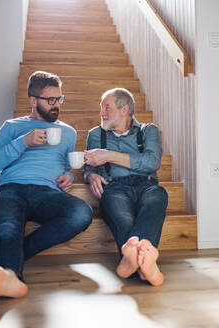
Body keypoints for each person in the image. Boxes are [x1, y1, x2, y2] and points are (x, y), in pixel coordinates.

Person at [0, 71, 92, 297]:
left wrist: (69, 176)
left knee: (82, 212)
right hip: (12, 189)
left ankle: (1, 257)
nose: (57, 105)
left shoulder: (68, 132)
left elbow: (65, 165)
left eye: (59, 99)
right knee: (7, 230)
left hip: (47, 193)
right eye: (50, 100)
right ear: (33, 100)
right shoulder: (12, 127)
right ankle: (12, 278)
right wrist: (24, 142)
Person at [83, 88, 168, 286]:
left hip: (147, 185)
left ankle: (130, 263)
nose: (101, 113)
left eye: (106, 107)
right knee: (122, 218)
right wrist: (91, 176)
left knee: (157, 199)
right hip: (114, 188)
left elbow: (152, 162)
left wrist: (109, 156)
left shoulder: (149, 130)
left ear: (124, 109)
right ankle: (148, 269)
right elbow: (88, 166)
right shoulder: (95, 134)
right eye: (101, 108)